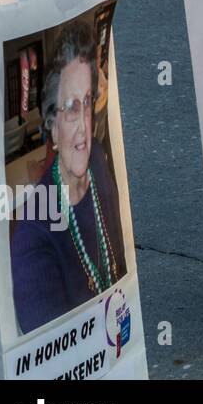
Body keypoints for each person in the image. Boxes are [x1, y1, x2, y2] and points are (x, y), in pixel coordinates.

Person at [11, 20, 126, 334]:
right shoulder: (33, 235)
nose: (83, 127)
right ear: (51, 125)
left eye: (88, 104)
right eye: (71, 109)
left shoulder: (98, 164)